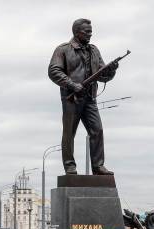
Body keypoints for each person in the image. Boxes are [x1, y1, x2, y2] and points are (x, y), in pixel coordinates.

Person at [48, 18, 118, 175]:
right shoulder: (63, 49)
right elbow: (54, 71)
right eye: (87, 31)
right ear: (76, 32)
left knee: (97, 130)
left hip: (90, 98)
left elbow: (102, 75)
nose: (90, 34)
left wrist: (111, 70)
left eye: (91, 31)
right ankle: (70, 166)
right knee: (69, 133)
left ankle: (98, 166)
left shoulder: (94, 50)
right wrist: (72, 85)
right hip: (72, 99)